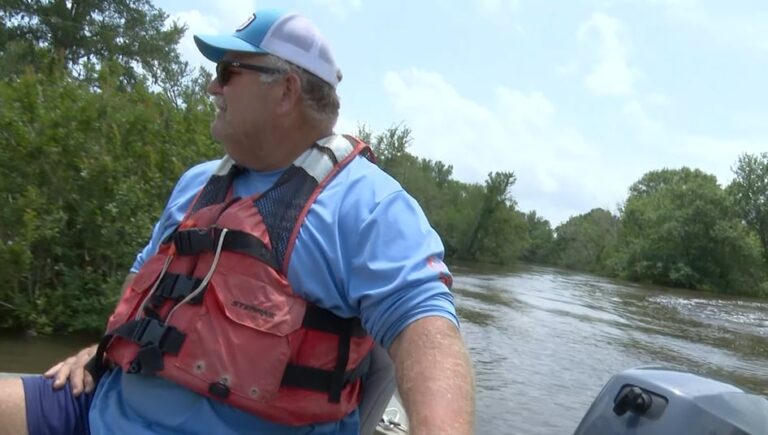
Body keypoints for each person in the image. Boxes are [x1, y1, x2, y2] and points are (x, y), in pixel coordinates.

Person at [0, 9, 474, 435]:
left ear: (286, 90)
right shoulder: (196, 184)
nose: (212, 87)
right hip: (102, 407)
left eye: (228, 72)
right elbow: (140, 289)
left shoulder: (368, 205)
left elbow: (427, 334)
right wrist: (102, 350)